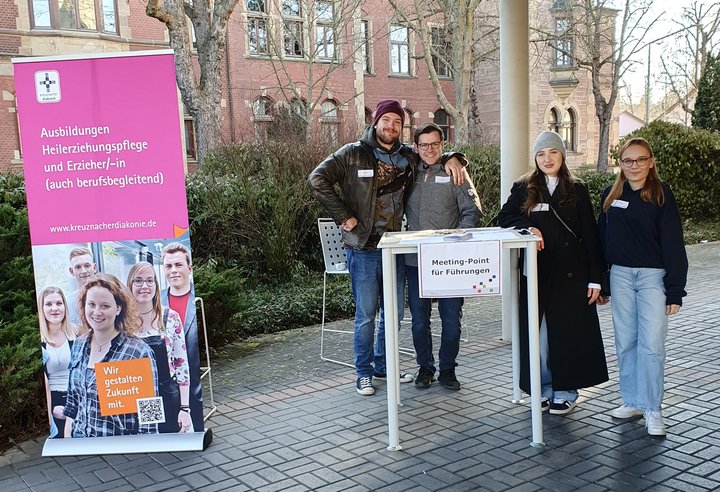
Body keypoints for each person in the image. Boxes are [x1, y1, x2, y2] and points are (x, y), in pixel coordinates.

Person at [308, 99, 468, 396]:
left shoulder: (407, 156)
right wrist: (343, 215)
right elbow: (317, 179)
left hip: (395, 249)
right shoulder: (353, 153)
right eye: (386, 120)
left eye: (397, 122)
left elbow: (431, 152)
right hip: (363, 248)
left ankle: (383, 366)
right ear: (376, 122)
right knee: (366, 315)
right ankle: (363, 372)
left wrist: (454, 157)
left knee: (393, 315)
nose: (391, 126)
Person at [498, 130, 608, 416]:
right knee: (540, 334)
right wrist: (528, 227)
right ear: (535, 158)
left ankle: (566, 390)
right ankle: (543, 387)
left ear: (562, 155)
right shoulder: (523, 187)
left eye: (553, 152)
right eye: (541, 154)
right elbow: (505, 217)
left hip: (572, 274)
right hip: (538, 272)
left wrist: (596, 279)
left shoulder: (578, 188)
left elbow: (590, 234)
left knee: (568, 333)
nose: (547, 159)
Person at [598, 137, 688, 437]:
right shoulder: (610, 195)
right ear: (620, 164)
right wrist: (603, 281)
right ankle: (633, 401)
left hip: (652, 278)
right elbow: (601, 241)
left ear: (650, 162)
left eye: (640, 159)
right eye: (628, 160)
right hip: (620, 276)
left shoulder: (661, 194)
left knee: (651, 345)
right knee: (626, 343)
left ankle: (652, 407)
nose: (634, 165)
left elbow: (674, 242)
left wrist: (675, 289)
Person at [404, 123, 482, 391]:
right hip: (415, 260)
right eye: (424, 145)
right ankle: (425, 368)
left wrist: (456, 242)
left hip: (449, 263)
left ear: (443, 145)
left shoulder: (455, 172)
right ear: (416, 147)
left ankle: (448, 369)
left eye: (435, 144)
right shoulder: (408, 172)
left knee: (451, 321)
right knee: (419, 321)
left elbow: (473, 211)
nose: (429, 150)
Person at [63, 274, 159, 437]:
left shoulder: (137, 352)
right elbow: (72, 405)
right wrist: (68, 441)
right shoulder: (78, 345)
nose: (96, 312)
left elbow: (149, 417)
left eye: (105, 306)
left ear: (118, 308)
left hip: (119, 445)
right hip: (79, 440)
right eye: (91, 304)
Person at [128, 261, 192, 433]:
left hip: (168, 396)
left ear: (156, 285)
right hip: (139, 398)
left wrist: (185, 409)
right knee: (152, 443)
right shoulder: (122, 323)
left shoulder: (170, 318)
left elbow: (181, 366)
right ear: (130, 284)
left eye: (150, 280)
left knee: (172, 444)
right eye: (138, 280)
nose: (145, 286)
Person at [160, 242, 203, 431]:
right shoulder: (155, 301)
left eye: (178, 265)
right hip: (167, 387)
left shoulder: (198, 299)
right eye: (168, 266)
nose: (173, 271)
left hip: (195, 385)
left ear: (189, 268)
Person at [38, 286, 77, 438]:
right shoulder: (39, 342)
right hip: (53, 401)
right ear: (41, 308)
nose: (55, 308)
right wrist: (52, 409)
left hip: (77, 397)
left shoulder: (77, 335)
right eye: (48, 304)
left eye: (59, 303)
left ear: (65, 307)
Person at [66, 247, 97, 326]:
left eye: (87, 265)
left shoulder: (109, 296)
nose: (84, 271)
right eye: (78, 267)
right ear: (71, 271)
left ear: (94, 268)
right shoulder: (66, 303)